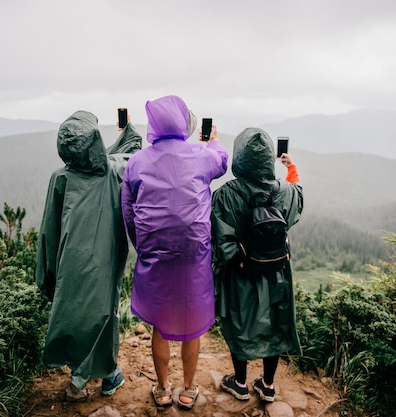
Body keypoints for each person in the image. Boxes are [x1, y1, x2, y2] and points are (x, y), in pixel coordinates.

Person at [121, 95, 228, 409]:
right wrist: (213, 142)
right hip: (193, 256)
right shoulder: (200, 155)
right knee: (191, 320)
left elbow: (129, 211)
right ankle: (188, 388)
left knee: (160, 323)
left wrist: (143, 248)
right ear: (184, 124)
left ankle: (163, 388)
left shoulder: (137, 161)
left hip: (155, 255)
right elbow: (222, 161)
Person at [35, 110, 142, 401]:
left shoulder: (61, 177)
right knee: (102, 314)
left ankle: (88, 377)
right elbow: (133, 153)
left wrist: (47, 270)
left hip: (69, 261)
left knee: (73, 313)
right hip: (106, 260)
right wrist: (128, 128)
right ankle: (103, 377)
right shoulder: (114, 170)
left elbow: (49, 228)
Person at [210, 127, 303, 402]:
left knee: (240, 322)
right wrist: (291, 166)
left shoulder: (226, 194)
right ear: (268, 160)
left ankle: (239, 382)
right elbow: (298, 195)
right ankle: (268, 385)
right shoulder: (284, 191)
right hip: (277, 273)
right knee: (274, 324)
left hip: (241, 273)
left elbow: (220, 239)